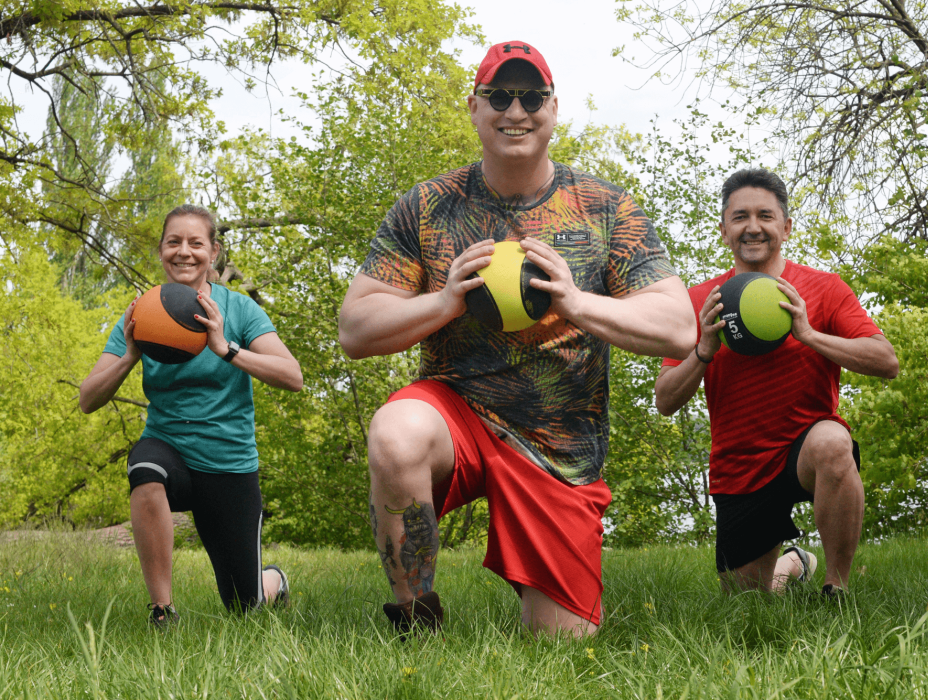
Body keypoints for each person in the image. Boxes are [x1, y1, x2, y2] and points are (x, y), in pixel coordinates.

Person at [338, 41, 695, 637]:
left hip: (558, 443)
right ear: (474, 107)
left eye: (531, 97)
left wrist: (577, 301)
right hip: (458, 411)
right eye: (499, 96)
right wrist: (445, 299)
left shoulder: (605, 208)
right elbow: (355, 329)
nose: (516, 110)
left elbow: (679, 327)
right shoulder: (427, 206)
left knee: (560, 644)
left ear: (554, 108)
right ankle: (414, 616)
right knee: (395, 433)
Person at [654, 169, 899, 597]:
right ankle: (794, 563)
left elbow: (886, 361)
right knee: (750, 604)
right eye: (740, 217)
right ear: (724, 229)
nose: (753, 227)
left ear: (785, 227)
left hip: (806, 448)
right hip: (740, 468)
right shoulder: (699, 302)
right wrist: (703, 350)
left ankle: (835, 588)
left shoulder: (824, 289)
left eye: (765, 216)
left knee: (832, 442)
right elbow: (665, 399)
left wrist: (809, 334)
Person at [79, 204, 303, 626]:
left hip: (228, 463)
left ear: (213, 251)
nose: (184, 252)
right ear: (161, 250)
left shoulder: (238, 310)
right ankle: (163, 610)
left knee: (246, 606)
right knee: (145, 468)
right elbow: (88, 398)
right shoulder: (139, 314)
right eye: (174, 242)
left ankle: (272, 582)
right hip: (170, 451)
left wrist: (227, 349)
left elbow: (293, 376)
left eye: (196, 243)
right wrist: (129, 355)